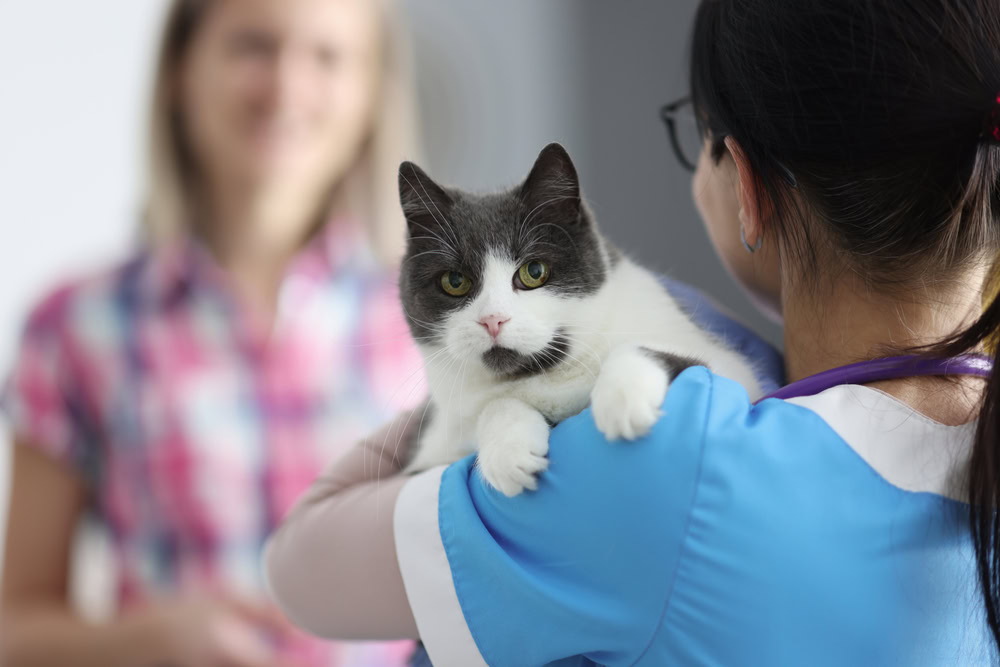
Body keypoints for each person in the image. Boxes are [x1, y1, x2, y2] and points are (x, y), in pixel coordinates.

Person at [264, 0, 1000, 664]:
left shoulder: (674, 464)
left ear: (746, 188)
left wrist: (481, 380)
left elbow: (299, 566)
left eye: (699, 139)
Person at [1, 0, 424, 665]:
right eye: (253, 47)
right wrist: (143, 645)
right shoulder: (76, 329)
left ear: (373, 90)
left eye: (328, 57)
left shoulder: (435, 324)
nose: (287, 87)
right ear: (179, 70)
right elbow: (14, 633)